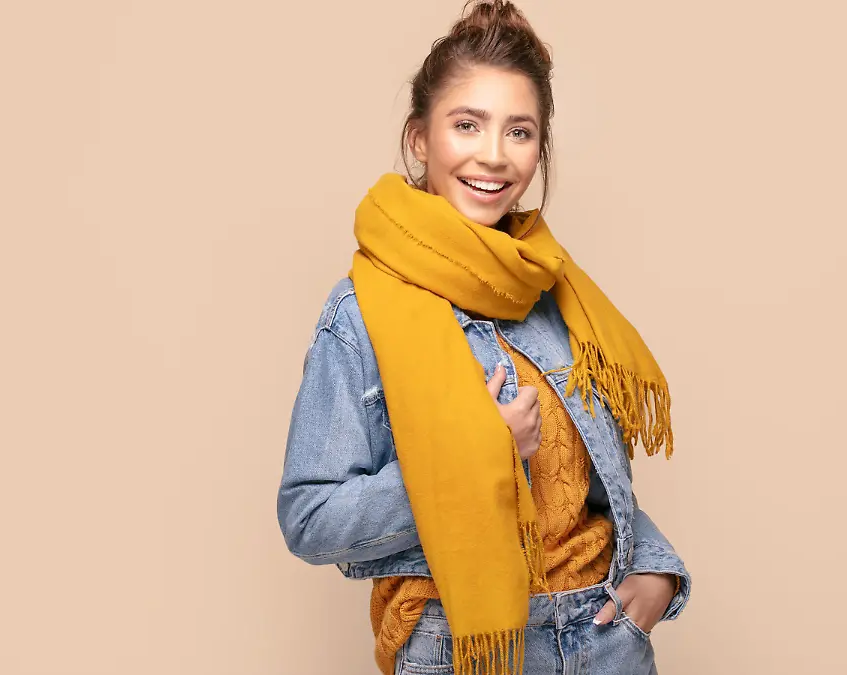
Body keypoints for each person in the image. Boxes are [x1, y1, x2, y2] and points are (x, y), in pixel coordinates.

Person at [277, 2, 690, 673]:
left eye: (519, 131)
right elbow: (310, 516)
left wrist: (656, 570)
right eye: (467, 124)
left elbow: (580, 488)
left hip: (603, 638)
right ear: (420, 138)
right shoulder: (363, 309)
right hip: (467, 649)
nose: (493, 156)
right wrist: (476, 456)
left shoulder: (548, 287)